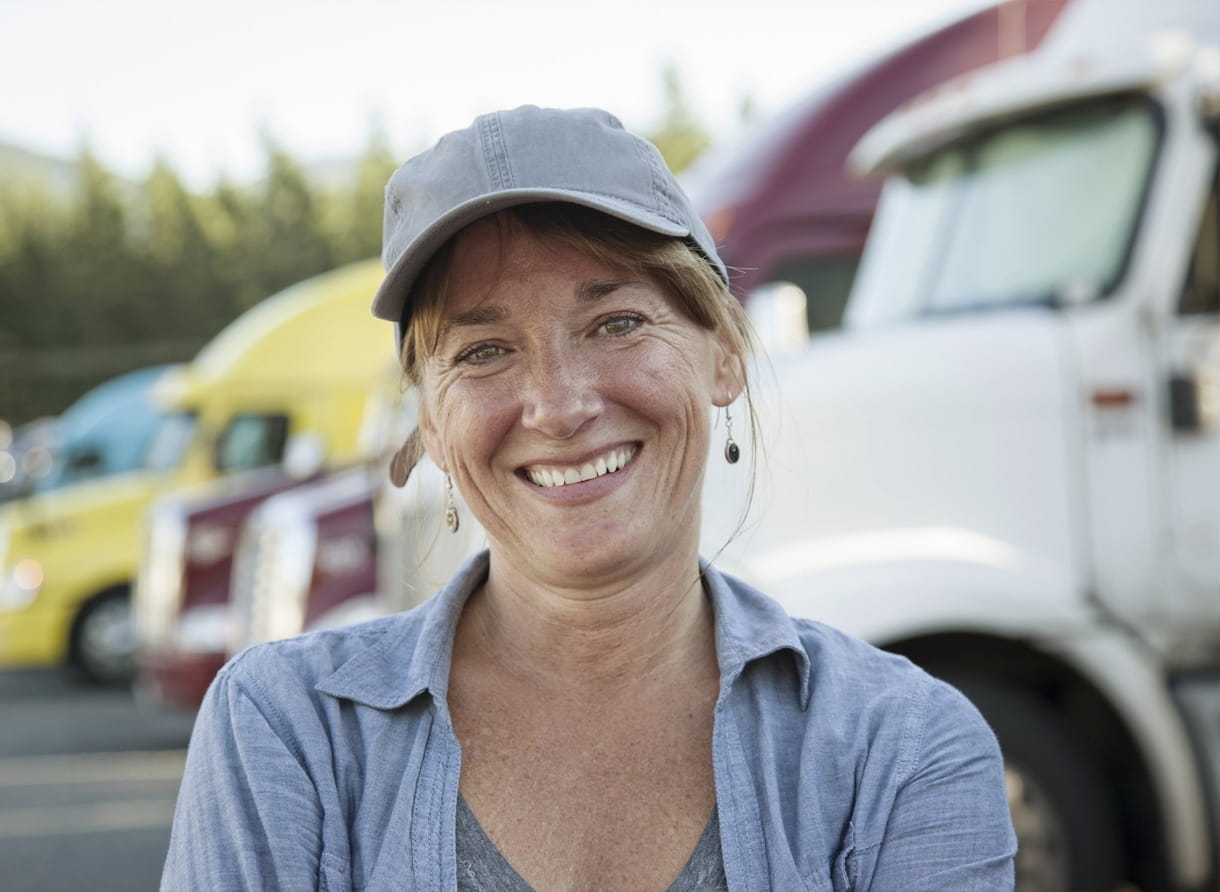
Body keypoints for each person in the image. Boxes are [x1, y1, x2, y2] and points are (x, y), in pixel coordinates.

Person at [161, 105, 1016, 891]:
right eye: (485, 351)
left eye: (616, 324)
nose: (560, 406)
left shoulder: (900, 748)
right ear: (429, 418)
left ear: (722, 352)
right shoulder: (284, 734)